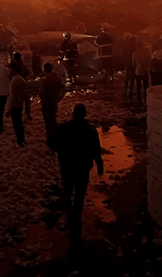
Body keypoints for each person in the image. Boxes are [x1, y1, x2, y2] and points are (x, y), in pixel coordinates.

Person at [50, 104, 104, 243]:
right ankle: (77, 220)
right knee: (79, 195)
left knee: (67, 192)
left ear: (73, 113)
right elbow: (96, 149)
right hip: (83, 167)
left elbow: (53, 145)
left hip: (67, 166)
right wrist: (99, 164)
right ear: (84, 114)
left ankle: (69, 219)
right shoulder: (91, 130)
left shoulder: (63, 128)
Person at [39, 62, 66, 147]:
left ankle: (51, 141)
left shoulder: (45, 80)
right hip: (54, 102)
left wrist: (42, 104)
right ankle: (57, 137)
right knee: (53, 120)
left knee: (48, 123)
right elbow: (64, 89)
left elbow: (42, 93)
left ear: (45, 69)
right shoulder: (57, 78)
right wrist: (59, 98)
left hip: (47, 103)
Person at [5, 62, 31, 147]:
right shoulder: (20, 79)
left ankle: (20, 141)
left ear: (13, 70)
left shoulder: (14, 81)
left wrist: (8, 109)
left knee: (17, 124)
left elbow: (12, 96)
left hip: (15, 105)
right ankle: (22, 139)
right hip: (20, 104)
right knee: (19, 123)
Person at [132, 42, 151, 109]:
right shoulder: (147, 53)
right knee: (146, 86)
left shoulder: (134, 54)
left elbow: (133, 64)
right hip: (145, 72)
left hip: (138, 72)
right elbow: (149, 62)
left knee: (138, 87)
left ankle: (139, 101)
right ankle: (146, 99)